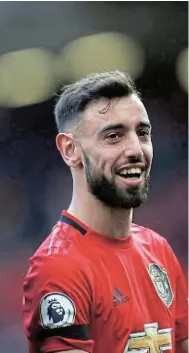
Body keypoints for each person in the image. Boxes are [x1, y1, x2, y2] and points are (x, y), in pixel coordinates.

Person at [22, 71, 188, 353]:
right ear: (70, 150)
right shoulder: (58, 267)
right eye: (114, 136)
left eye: (143, 133)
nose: (136, 149)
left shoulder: (158, 249)